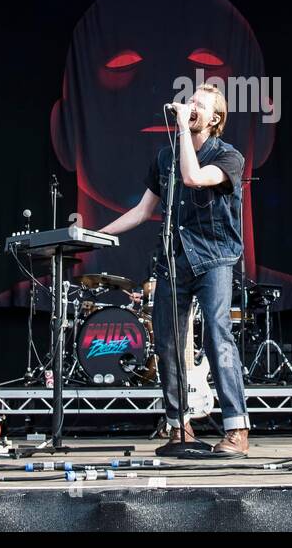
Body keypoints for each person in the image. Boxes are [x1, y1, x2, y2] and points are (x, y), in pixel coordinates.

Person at [99, 84, 251, 457]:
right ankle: (179, 426)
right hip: (173, 259)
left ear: (214, 119)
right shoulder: (165, 156)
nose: (190, 106)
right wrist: (95, 235)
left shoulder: (229, 157)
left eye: (199, 104)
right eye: (189, 102)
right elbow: (141, 211)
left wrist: (183, 127)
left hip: (215, 257)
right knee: (167, 341)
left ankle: (237, 429)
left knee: (218, 334)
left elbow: (194, 178)